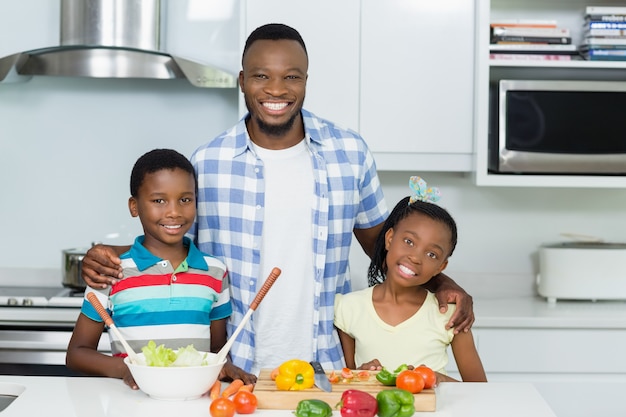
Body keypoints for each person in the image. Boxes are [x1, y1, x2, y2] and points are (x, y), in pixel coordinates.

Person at [80, 23, 475, 374]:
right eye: (261, 76)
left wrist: (443, 283)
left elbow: (382, 245)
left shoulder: (350, 153)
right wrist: (107, 255)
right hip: (234, 366)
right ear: (242, 80)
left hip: (328, 365)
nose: (276, 90)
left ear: (306, 80)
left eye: (291, 77)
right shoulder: (208, 161)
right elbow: (174, 244)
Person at [66, 149, 255, 389]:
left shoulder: (215, 271)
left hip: (194, 401)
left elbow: (217, 348)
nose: (174, 211)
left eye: (185, 200)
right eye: (159, 201)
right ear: (134, 207)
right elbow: (77, 353)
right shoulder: (111, 270)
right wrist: (129, 370)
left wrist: (223, 364)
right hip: (131, 402)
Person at [335, 177, 486, 383]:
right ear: (389, 239)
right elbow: (346, 382)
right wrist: (362, 374)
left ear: (440, 267)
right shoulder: (348, 308)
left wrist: (435, 379)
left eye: (431, 254)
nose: (415, 257)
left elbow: (480, 390)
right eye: (409, 241)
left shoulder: (450, 317)